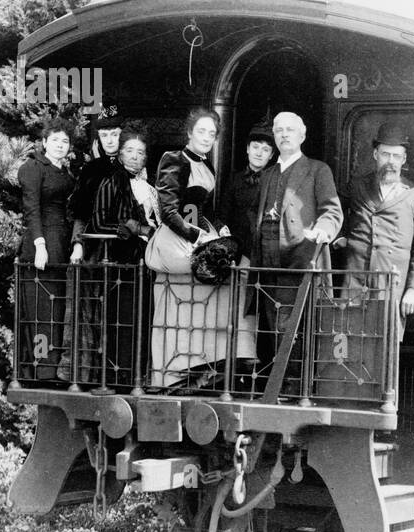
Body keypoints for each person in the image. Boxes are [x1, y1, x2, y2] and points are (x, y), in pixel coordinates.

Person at [150, 108, 251, 389]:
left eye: (211, 133)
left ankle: (222, 355)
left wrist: (219, 226)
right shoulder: (174, 159)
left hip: (200, 230)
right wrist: (195, 235)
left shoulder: (206, 165)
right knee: (189, 293)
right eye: (201, 131)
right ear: (189, 133)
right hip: (177, 236)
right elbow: (169, 211)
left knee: (235, 271)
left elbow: (203, 206)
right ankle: (177, 368)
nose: (206, 137)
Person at [249, 112, 342, 389]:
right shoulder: (268, 174)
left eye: (290, 130)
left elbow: (332, 210)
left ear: (302, 136)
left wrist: (323, 230)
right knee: (270, 327)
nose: (284, 135)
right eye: (279, 131)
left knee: (291, 328)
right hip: (267, 263)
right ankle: (277, 390)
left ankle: (292, 389)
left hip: (299, 261)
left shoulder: (317, 170)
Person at [337, 121, 414, 337]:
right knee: (349, 350)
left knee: (383, 354)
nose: (390, 162)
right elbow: (334, 212)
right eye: (385, 154)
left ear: (404, 159)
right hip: (355, 283)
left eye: (396, 156)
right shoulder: (357, 186)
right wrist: (340, 236)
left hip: (390, 287)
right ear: (375, 154)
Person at [82, 127, 159, 386]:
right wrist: (131, 229)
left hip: (146, 262)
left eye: (140, 152)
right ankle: (121, 376)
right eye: (129, 151)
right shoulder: (112, 181)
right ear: (121, 155)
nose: (135, 156)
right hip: (121, 263)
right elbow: (97, 223)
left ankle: (142, 373)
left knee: (144, 317)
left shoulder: (149, 188)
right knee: (123, 319)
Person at [17, 119, 76, 381]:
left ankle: (55, 368)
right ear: (44, 143)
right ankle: (41, 369)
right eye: (55, 140)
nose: (60, 145)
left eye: (65, 141)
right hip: (41, 245)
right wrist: (39, 245)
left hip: (61, 243)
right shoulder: (33, 168)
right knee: (41, 307)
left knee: (57, 306)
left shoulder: (65, 171)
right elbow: (31, 208)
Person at [66, 105, 121, 265]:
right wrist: (77, 245)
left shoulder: (132, 165)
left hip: (123, 245)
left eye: (114, 135)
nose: (110, 141)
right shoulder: (90, 170)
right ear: (99, 139)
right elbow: (80, 212)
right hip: (94, 244)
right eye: (104, 136)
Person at [222, 121, 275, 260]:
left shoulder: (275, 181)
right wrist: (222, 227)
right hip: (237, 249)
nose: (259, 153)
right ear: (247, 149)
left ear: (271, 155)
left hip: (264, 250)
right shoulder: (235, 179)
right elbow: (222, 214)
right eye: (255, 147)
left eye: (265, 149)